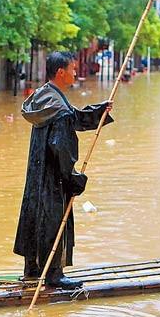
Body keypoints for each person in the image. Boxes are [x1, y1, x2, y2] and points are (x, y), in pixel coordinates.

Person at [14, 51, 113, 290]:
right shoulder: (59, 108)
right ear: (61, 72)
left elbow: (73, 117)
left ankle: (33, 268)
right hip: (53, 177)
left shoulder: (43, 97)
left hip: (37, 174)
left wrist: (98, 113)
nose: (76, 73)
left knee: (35, 212)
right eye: (73, 69)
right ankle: (53, 274)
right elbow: (62, 147)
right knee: (53, 218)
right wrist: (71, 179)